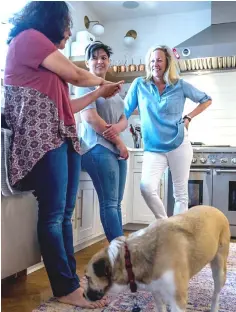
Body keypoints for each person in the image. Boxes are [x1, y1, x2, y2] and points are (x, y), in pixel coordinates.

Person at [4, 1, 122, 308]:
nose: (69, 32)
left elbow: (67, 107)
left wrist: (97, 93)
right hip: (42, 138)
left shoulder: (45, 60)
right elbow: (77, 75)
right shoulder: (29, 38)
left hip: (62, 136)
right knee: (55, 215)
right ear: (51, 20)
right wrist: (104, 82)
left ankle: (70, 280)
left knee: (64, 216)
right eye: (67, 25)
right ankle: (64, 286)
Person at [124, 45, 212, 219]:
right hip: (153, 147)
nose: (155, 63)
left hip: (179, 144)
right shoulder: (140, 84)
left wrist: (188, 118)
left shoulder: (179, 85)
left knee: (180, 194)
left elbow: (206, 99)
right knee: (146, 187)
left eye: (159, 60)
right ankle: (165, 224)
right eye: (152, 60)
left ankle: (178, 235)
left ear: (167, 63)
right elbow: (125, 110)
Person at [76, 41, 128, 242]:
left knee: (116, 203)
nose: (100, 61)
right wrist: (119, 142)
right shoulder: (84, 85)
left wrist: (117, 129)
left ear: (109, 62)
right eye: (95, 57)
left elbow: (124, 117)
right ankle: (122, 256)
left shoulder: (112, 87)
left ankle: (121, 253)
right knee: (109, 203)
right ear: (88, 62)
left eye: (104, 57)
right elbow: (90, 118)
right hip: (96, 148)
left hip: (115, 149)